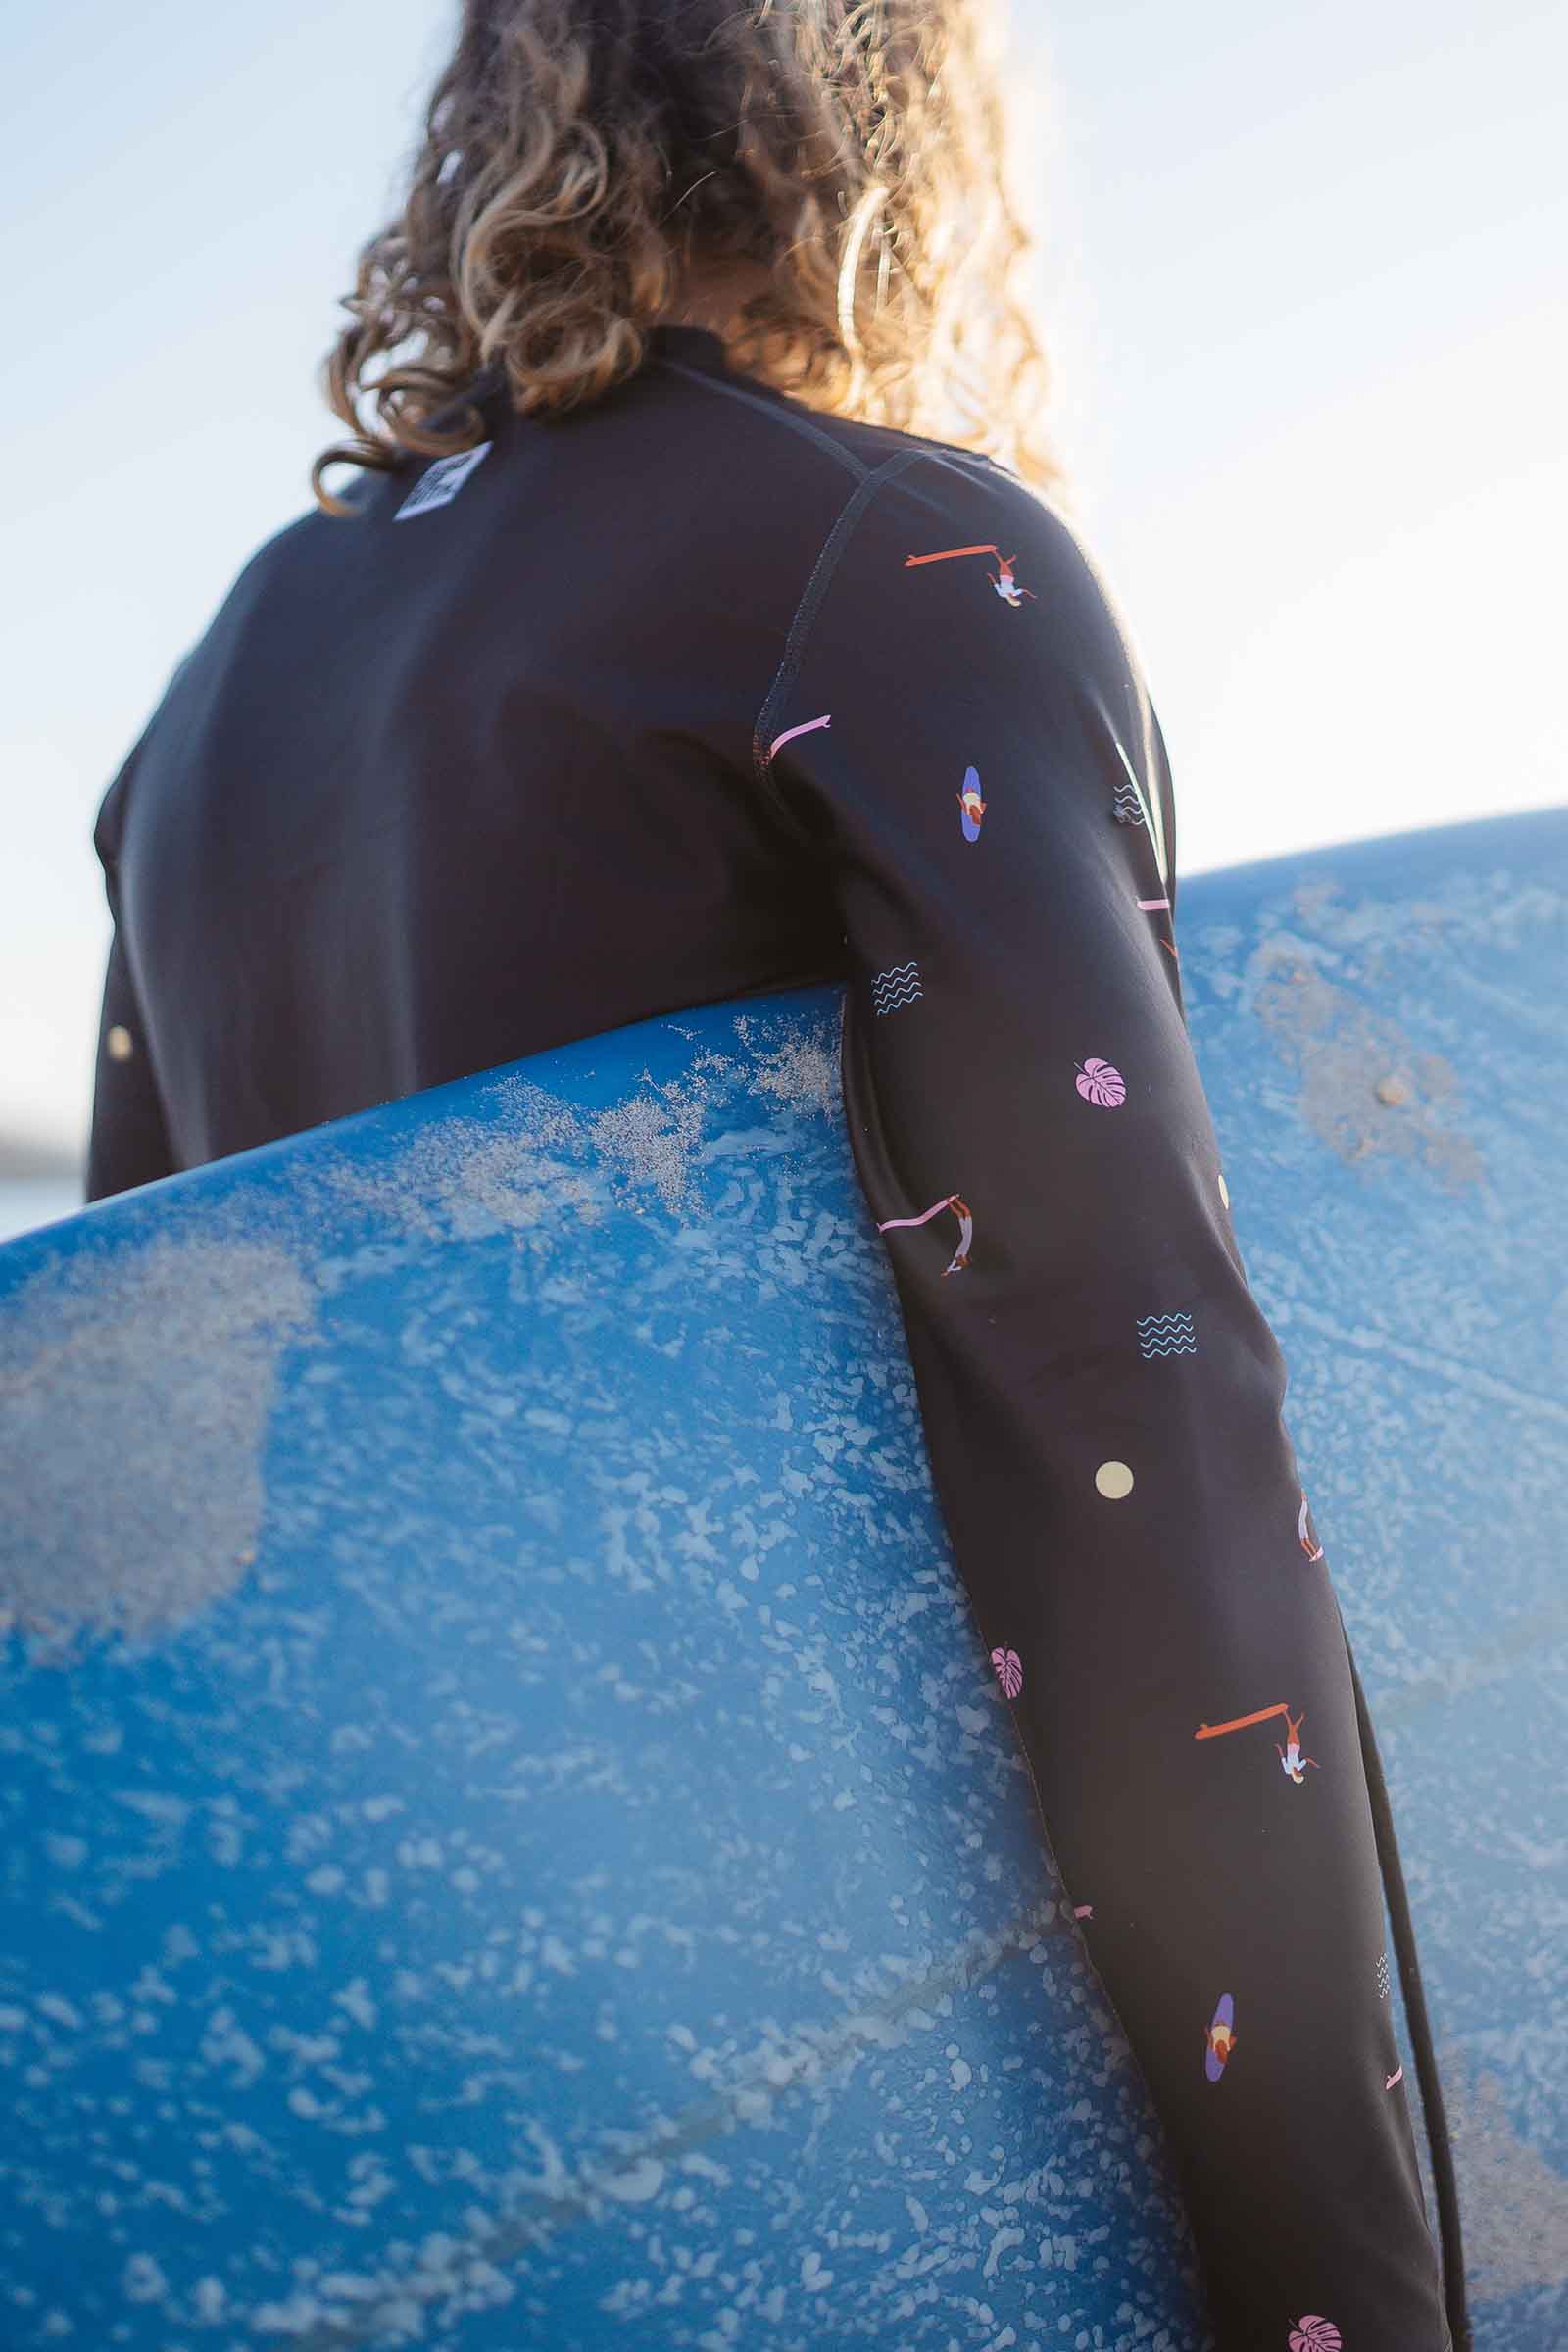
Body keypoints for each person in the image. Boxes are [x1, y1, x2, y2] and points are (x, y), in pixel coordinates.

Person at [83, 0, 1470, 2342]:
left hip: (406, 2120)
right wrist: (1338, 2295)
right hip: (834, 2087)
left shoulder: (205, 706)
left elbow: (135, 1496)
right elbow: (1139, 1452)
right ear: (881, 127)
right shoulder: (891, 568)